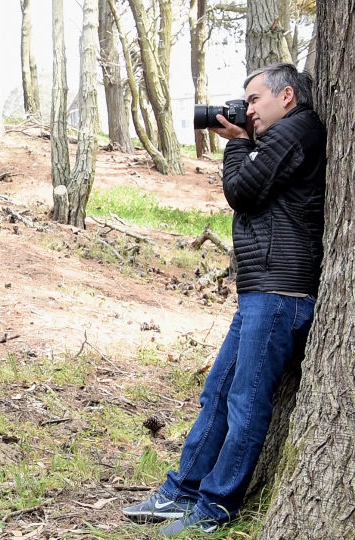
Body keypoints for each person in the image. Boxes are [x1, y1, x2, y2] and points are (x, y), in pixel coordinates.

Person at [122, 63, 326, 535]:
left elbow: (241, 190)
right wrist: (245, 142)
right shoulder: (283, 136)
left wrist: (235, 142)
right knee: (218, 393)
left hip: (280, 291)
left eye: (255, 100)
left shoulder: (298, 130)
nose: (247, 109)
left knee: (245, 401)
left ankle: (214, 508)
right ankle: (182, 491)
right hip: (263, 291)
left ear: (287, 97)